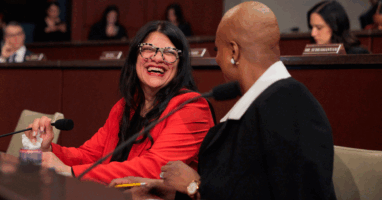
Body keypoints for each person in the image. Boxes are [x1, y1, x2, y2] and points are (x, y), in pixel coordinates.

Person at [110, 2, 337, 200]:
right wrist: (165, 191)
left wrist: (193, 187)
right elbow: (242, 190)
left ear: (234, 52)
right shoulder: (268, 104)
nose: (217, 59)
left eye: (218, 50)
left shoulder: (290, 105)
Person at [24, 21, 214, 184]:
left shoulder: (192, 108)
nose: (157, 58)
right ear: (134, 58)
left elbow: (156, 169)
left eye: (169, 52)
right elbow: (91, 155)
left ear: (180, 64)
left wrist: (69, 171)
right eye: (148, 49)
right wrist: (49, 149)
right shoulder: (126, 106)